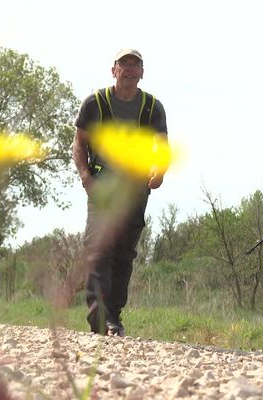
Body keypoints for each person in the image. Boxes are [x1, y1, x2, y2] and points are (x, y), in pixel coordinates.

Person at [72, 49, 167, 336]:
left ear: (142, 72)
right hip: (102, 187)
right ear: (113, 70)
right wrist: (86, 176)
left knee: (123, 254)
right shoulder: (95, 103)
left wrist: (159, 172)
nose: (129, 69)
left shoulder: (152, 107)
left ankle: (113, 316)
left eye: (134, 64)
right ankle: (98, 317)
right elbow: (78, 145)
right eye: (123, 64)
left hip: (135, 190)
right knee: (100, 250)